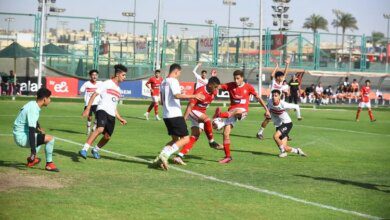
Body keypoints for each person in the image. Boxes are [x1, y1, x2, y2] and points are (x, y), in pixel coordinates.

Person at [152, 63, 205, 170]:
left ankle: (159, 158)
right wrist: (194, 95)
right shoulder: (173, 81)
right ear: (176, 71)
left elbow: (162, 101)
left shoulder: (163, 82)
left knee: (175, 140)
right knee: (185, 139)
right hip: (175, 114)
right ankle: (165, 155)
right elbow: (177, 95)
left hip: (166, 115)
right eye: (179, 73)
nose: (179, 75)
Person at [212, 70, 270, 163]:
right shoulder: (230, 85)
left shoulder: (248, 87)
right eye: (235, 78)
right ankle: (228, 157)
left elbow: (258, 98)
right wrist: (213, 82)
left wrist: (266, 110)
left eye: (238, 78)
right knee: (226, 133)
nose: (236, 80)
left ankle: (219, 115)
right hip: (231, 112)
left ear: (242, 78)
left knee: (238, 111)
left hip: (242, 112)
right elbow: (217, 86)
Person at [79, 64, 128, 159]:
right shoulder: (107, 83)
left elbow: (114, 107)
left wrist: (120, 118)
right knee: (100, 129)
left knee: (107, 136)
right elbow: (94, 95)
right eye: (123, 75)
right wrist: (88, 108)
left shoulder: (119, 90)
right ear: (117, 74)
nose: (124, 77)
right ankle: (84, 149)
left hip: (111, 114)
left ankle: (95, 149)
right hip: (102, 109)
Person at [172, 77, 222, 165]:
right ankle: (211, 142)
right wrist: (184, 119)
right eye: (215, 87)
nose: (217, 89)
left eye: (217, 87)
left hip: (200, 113)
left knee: (195, 136)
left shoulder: (214, 91)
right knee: (207, 119)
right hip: (193, 111)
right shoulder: (200, 91)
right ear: (210, 85)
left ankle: (179, 156)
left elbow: (223, 87)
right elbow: (190, 106)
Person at [12, 88, 59, 172]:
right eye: (49, 98)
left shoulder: (32, 104)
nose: (50, 100)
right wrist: (33, 152)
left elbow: (33, 120)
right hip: (22, 137)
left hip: (20, 134)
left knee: (41, 135)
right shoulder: (33, 109)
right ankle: (49, 164)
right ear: (45, 99)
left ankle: (31, 160)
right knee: (50, 139)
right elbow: (31, 131)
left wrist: (39, 128)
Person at [256, 58, 290, 140]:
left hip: (278, 103)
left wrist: (287, 64)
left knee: (282, 118)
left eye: (282, 77)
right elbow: (272, 75)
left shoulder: (281, 82)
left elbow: (285, 73)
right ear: (277, 77)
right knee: (268, 119)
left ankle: (283, 134)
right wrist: (276, 67)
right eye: (281, 77)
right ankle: (259, 133)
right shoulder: (274, 82)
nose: (283, 78)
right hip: (271, 103)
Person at [268, 89, 306, 158]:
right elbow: (268, 107)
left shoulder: (283, 104)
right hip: (279, 125)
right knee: (285, 147)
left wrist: (298, 116)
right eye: (273, 95)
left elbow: (296, 106)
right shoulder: (270, 101)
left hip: (287, 124)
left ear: (279, 97)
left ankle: (283, 152)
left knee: (275, 136)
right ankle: (297, 151)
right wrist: (267, 112)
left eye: (276, 96)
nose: (274, 97)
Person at [79, 69, 102, 135]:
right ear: (90, 76)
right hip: (88, 104)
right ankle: (88, 129)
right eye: (93, 75)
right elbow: (81, 90)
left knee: (98, 116)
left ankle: (94, 126)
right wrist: (80, 91)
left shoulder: (100, 83)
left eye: (96, 75)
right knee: (89, 117)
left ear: (97, 76)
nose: (94, 76)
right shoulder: (87, 83)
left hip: (97, 103)